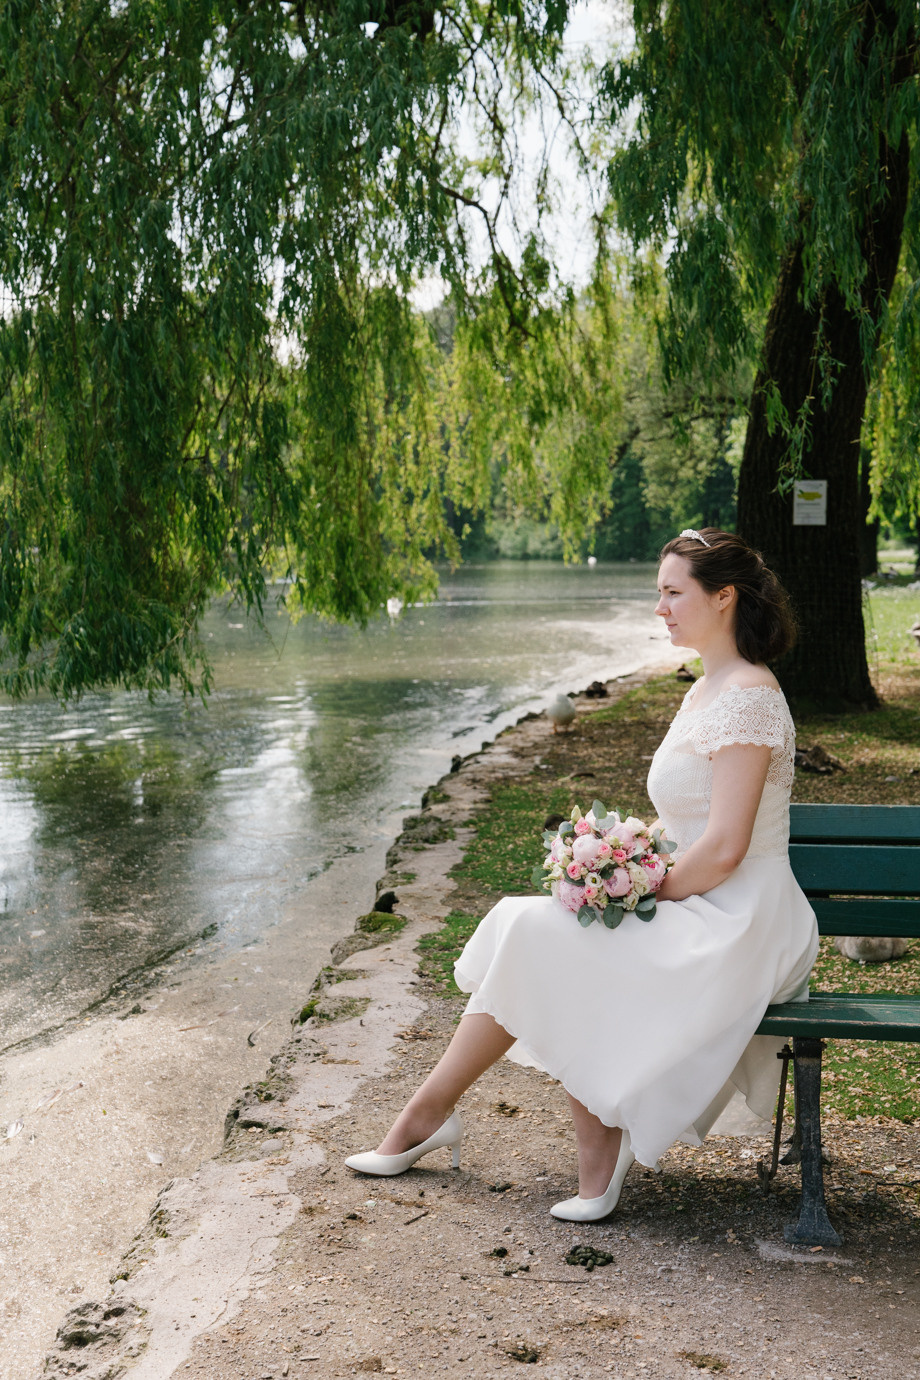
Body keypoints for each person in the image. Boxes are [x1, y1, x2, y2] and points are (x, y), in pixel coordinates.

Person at [345, 528, 819, 1221]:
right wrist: (614, 858)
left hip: (743, 914)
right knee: (531, 924)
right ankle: (446, 1118)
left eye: (671, 592)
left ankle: (451, 1121)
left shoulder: (748, 695)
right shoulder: (707, 689)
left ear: (723, 598)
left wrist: (633, 889)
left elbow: (723, 847)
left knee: (553, 937)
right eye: (659, 592)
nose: (659, 607)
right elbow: (687, 826)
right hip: (701, 894)